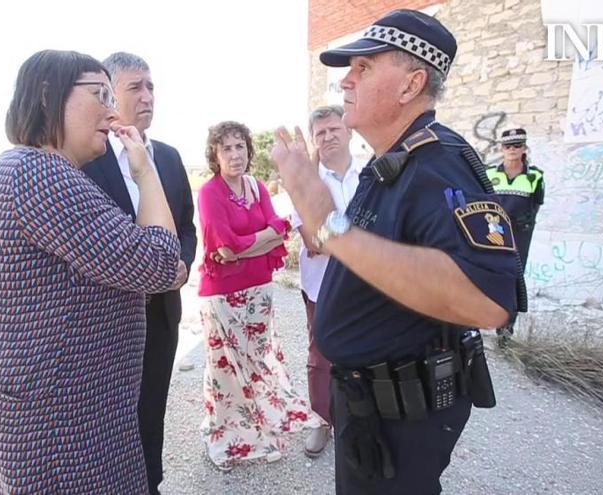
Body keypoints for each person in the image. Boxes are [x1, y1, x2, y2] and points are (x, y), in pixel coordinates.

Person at [272, 9, 521, 494]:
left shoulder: (438, 166)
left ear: (411, 84)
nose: (346, 80)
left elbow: (488, 302)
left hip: (403, 412)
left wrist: (328, 222)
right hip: (369, 402)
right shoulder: (393, 162)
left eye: (363, 67)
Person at [0, 49, 181, 494]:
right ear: (48, 97)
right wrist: (144, 172)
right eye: (99, 93)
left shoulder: (18, 170)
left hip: (45, 414)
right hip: (61, 427)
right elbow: (159, 262)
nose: (112, 108)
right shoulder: (41, 176)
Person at [82, 51, 197, 495]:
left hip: (161, 315)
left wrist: (181, 267)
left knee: (151, 411)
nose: (148, 95)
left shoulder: (167, 158)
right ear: (109, 95)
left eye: (151, 86)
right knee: (110, 417)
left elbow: (185, 225)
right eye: (136, 87)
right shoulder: (86, 159)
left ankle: (151, 483)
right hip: (106, 323)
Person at [197, 120, 321, 471]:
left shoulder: (257, 187)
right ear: (215, 155)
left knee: (257, 358)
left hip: (259, 289)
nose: (235, 155)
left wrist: (253, 242)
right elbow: (225, 248)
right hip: (223, 294)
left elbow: (281, 229)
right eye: (227, 148)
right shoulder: (210, 193)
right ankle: (232, 431)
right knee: (226, 365)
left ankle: (256, 418)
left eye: (240, 147)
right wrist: (263, 237)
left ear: (248, 152)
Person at [291, 105, 362, 457]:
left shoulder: (372, 173)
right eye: (321, 133)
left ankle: (358, 418)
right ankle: (321, 420)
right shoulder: (305, 180)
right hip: (324, 287)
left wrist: (334, 228)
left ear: (348, 130)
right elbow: (314, 242)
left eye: (335, 129)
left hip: (369, 286)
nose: (329, 136)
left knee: (367, 352)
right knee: (321, 357)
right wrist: (359, 236)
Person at [486, 128, 544, 345]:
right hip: (493, 232)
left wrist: (524, 224)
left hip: (520, 234)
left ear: (524, 148)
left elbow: (536, 204)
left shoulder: (535, 176)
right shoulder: (490, 174)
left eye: (517, 145)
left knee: (512, 279)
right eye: (508, 146)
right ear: (501, 149)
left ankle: (505, 329)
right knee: (487, 273)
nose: (512, 150)